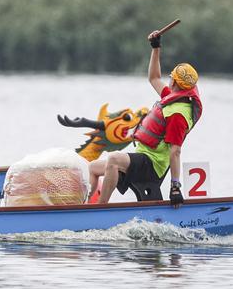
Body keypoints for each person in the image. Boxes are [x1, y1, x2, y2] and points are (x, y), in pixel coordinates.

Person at [87, 30, 202, 208]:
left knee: (114, 159)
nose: (168, 79)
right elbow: (154, 78)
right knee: (93, 168)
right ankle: (84, 208)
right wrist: (156, 47)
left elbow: (175, 152)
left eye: (171, 77)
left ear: (175, 83)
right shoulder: (173, 96)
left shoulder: (178, 115)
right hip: (143, 156)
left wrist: (175, 186)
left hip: (153, 164)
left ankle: (100, 209)